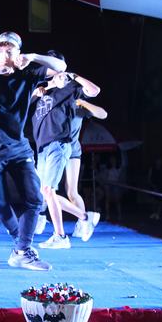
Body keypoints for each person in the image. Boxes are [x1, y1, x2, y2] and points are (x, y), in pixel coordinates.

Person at [0, 31, 65, 271]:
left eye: (9, 49)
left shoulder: (29, 73)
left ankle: (23, 250)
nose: (4, 54)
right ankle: (20, 245)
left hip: (19, 148)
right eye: (0, 49)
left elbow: (61, 67)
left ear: (17, 52)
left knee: (35, 199)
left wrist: (33, 57)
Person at [31, 66, 100, 249]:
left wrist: (74, 76)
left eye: (61, 73)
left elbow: (94, 91)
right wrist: (40, 91)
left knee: (55, 190)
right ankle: (84, 217)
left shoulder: (70, 91)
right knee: (44, 193)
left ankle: (61, 234)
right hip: (42, 147)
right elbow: (20, 102)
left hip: (59, 144)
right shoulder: (43, 90)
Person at [64, 96, 107, 237]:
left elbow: (103, 114)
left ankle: (84, 222)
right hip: (52, 149)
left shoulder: (78, 105)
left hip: (72, 150)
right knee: (47, 191)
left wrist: (83, 103)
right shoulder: (53, 98)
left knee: (71, 192)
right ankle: (84, 219)